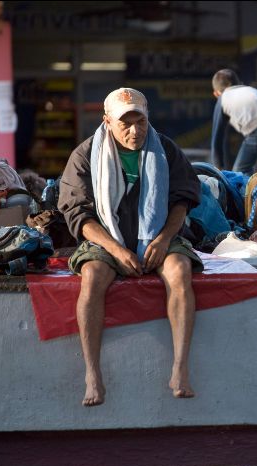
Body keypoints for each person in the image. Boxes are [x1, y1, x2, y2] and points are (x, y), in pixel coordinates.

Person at [59, 87, 203, 406]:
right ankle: (92, 374)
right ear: (107, 121)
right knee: (93, 275)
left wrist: (164, 238)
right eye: (125, 123)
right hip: (105, 237)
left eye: (140, 121)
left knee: (179, 270)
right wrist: (116, 249)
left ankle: (180, 368)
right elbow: (78, 214)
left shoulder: (165, 148)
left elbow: (184, 199)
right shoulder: (85, 155)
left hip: (158, 234)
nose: (134, 130)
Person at [210, 69, 257, 175]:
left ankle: (249, 191)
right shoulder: (247, 89)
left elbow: (217, 139)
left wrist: (218, 169)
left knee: (240, 171)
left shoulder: (222, 98)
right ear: (240, 84)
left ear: (216, 93)